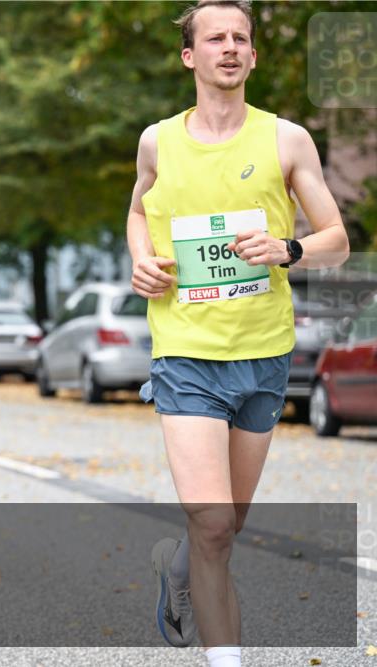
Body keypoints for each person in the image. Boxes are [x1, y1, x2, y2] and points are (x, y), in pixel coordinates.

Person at [126, 2, 350, 665]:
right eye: (215, 37)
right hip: (186, 351)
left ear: (253, 56)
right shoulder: (157, 141)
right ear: (189, 56)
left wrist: (288, 248)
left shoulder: (287, 140)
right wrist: (141, 257)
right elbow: (139, 209)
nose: (229, 47)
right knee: (216, 524)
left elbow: (336, 240)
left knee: (225, 528)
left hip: (263, 353)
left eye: (241, 39)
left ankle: (177, 566)